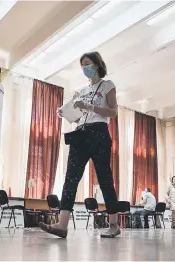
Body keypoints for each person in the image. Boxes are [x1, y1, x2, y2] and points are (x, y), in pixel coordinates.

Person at [39, 51, 120, 238]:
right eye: (82, 65)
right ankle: (62, 224)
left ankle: (114, 224)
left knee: (104, 179)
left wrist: (89, 107)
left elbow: (113, 112)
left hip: (99, 133)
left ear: (98, 64)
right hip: (81, 133)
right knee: (71, 178)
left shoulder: (107, 85)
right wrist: (66, 112)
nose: (85, 68)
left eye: (88, 63)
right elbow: (78, 117)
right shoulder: (81, 91)